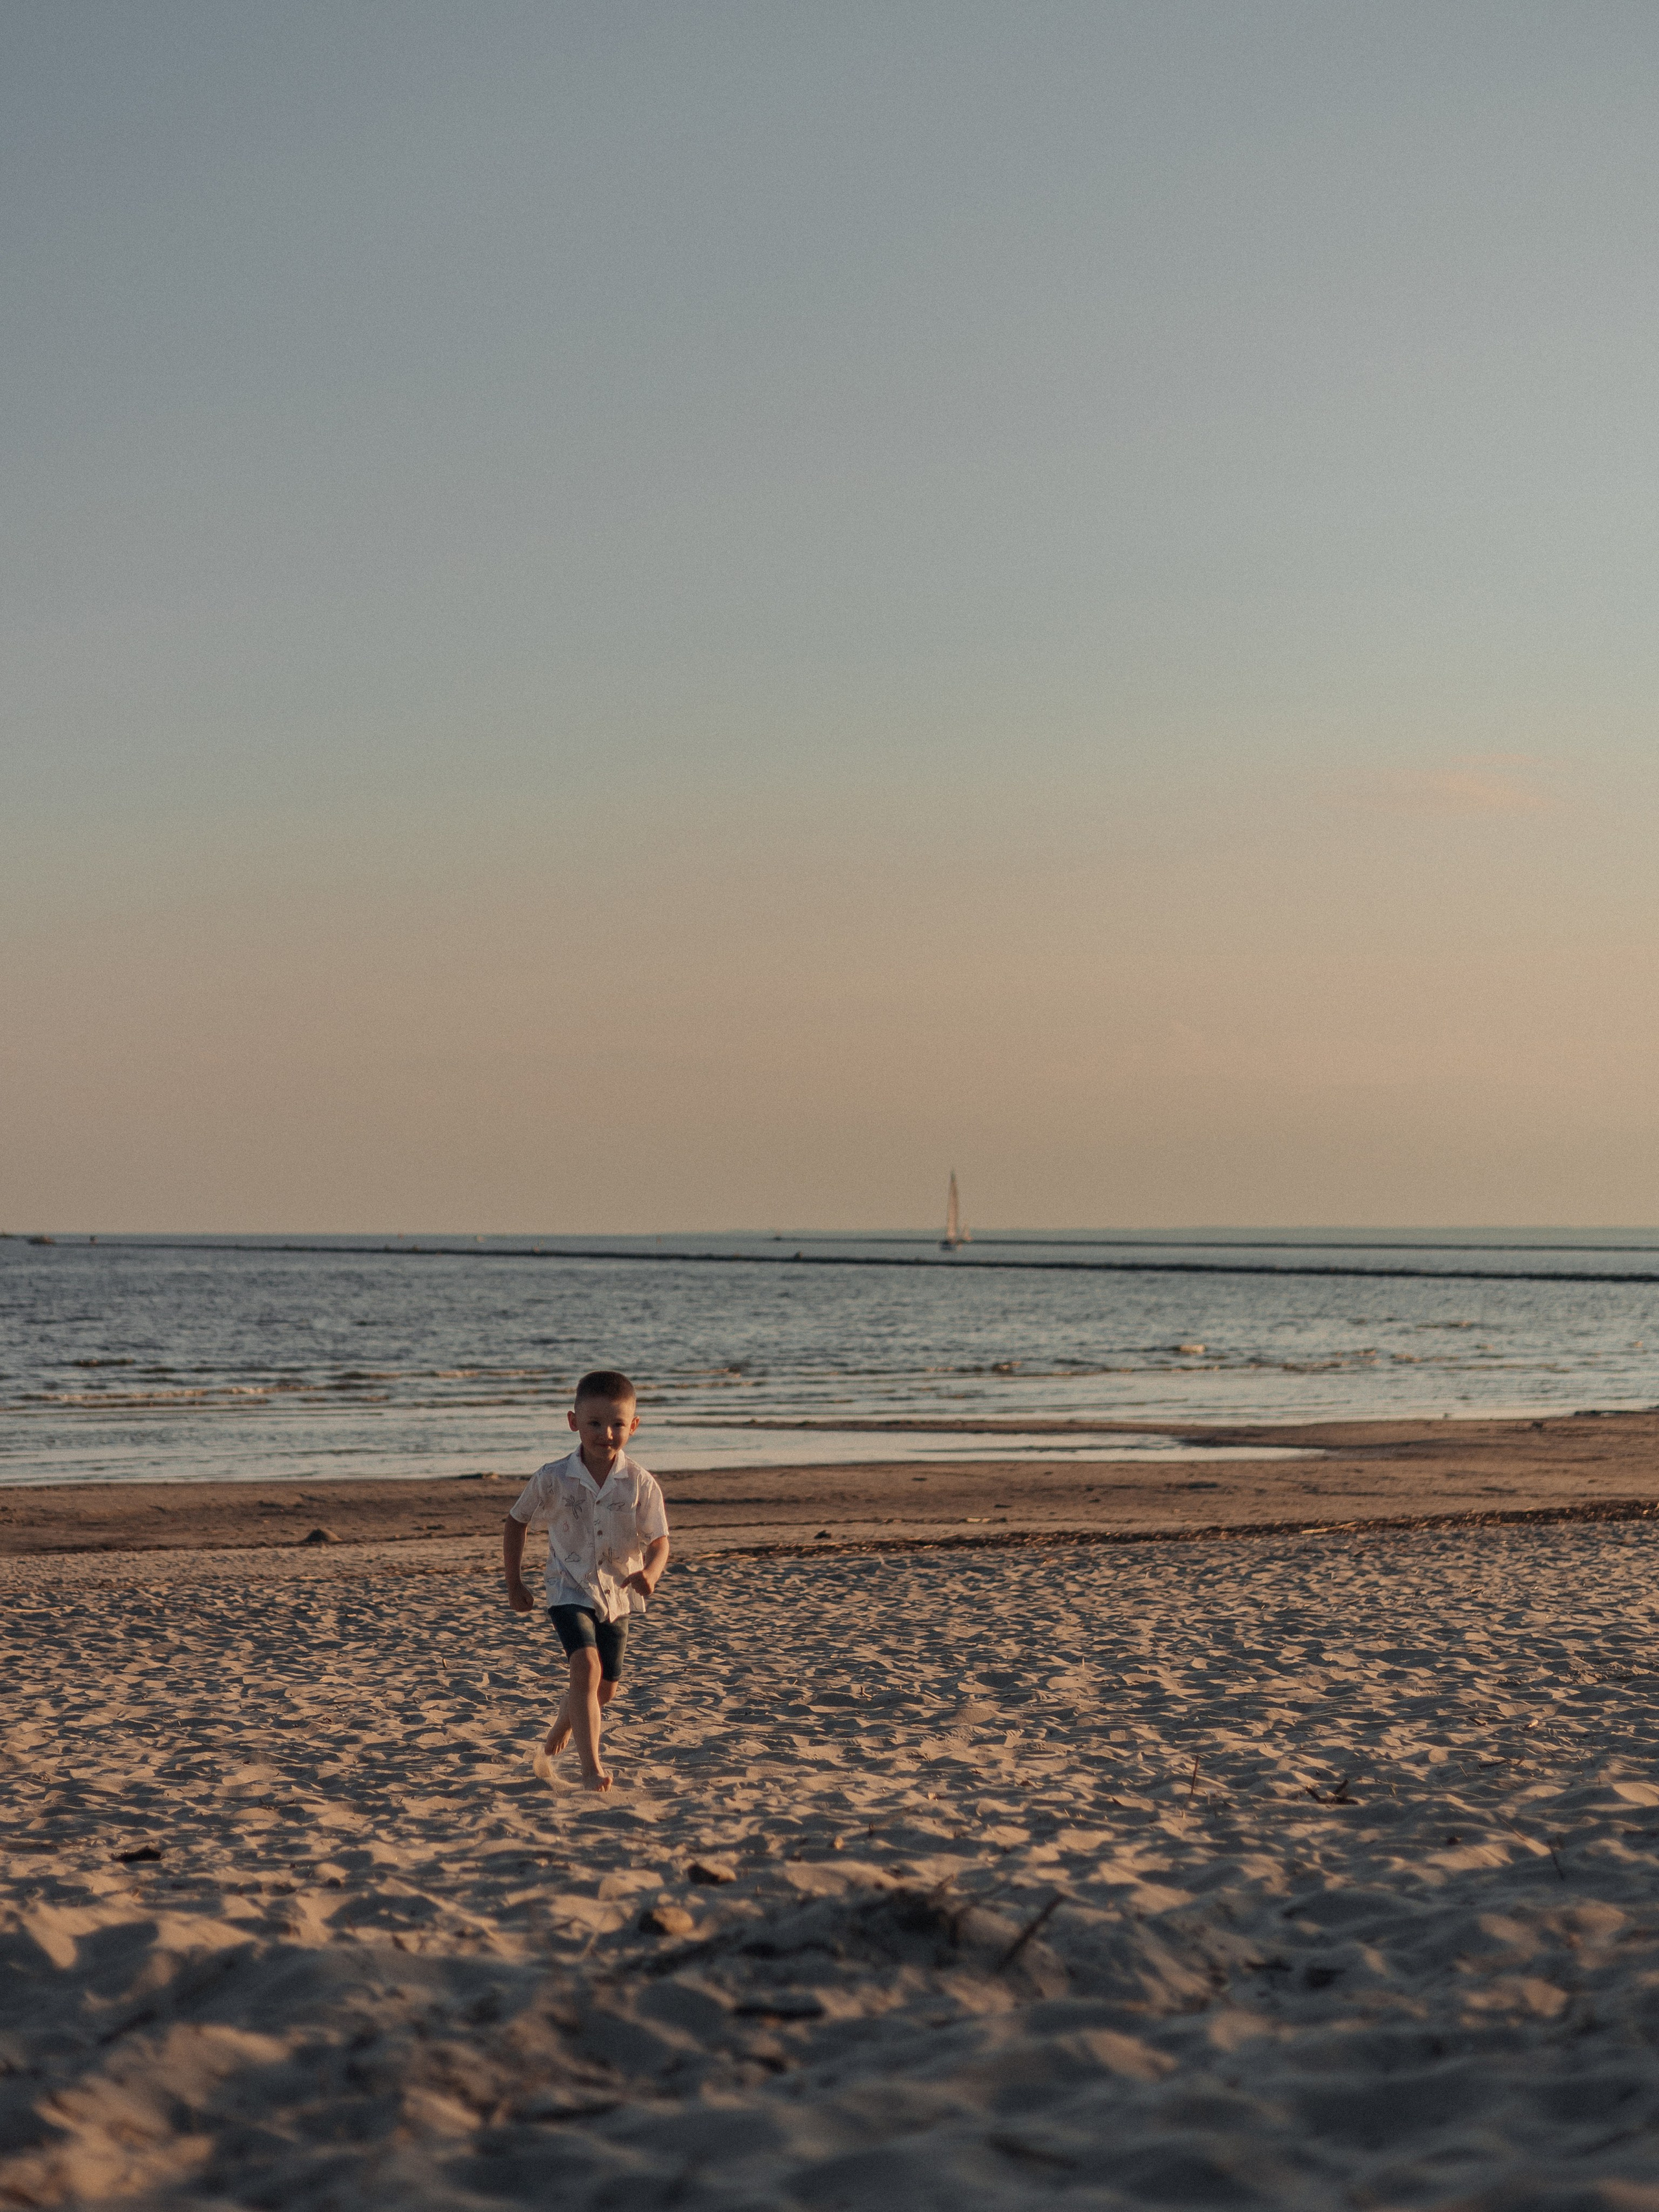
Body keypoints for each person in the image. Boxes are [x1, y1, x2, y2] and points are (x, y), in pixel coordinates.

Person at [502, 1369, 669, 1793]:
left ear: (634, 1426)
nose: (605, 1434)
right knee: (586, 1667)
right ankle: (591, 1767)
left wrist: (651, 1572)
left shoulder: (639, 1482)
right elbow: (517, 1521)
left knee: (605, 1690)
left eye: (617, 1424)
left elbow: (660, 1540)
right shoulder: (553, 1477)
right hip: (568, 1587)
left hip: (618, 1593)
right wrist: (514, 1582)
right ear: (573, 1421)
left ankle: (566, 1719)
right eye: (594, 1423)